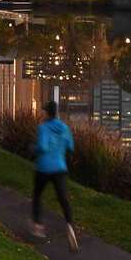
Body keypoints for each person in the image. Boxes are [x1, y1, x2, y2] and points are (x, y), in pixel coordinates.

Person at [31, 100, 79, 252]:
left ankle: (38, 227)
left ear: (47, 113)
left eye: (44, 111)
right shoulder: (64, 128)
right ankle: (70, 225)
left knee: (37, 195)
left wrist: (33, 149)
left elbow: (43, 147)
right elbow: (71, 147)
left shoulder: (43, 127)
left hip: (44, 168)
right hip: (60, 168)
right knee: (63, 199)